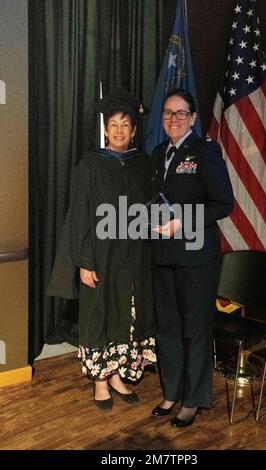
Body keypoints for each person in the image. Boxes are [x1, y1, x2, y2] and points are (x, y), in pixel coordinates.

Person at [47, 89, 156, 411]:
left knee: (128, 315)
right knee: (100, 315)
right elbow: (79, 215)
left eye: (126, 124)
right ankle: (100, 381)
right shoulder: (90, 165)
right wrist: (83, 260)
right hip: (101, 255)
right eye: (113, 124)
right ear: (105, 129)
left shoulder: (141, 163)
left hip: (134, 257)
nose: (119, 130)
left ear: (134, 130)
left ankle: (118, 375)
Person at [150, 88, 234, 427]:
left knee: (195, 331)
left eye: (181, 113)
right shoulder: (157, 153)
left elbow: (223, 204)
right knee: (168, 330)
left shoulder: (206, 152)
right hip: (162, 256)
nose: (173, 119)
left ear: (193, 118)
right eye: (168, 113)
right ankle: (172, 391)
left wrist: (182, 221)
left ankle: (194, 400)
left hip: (197, 260)